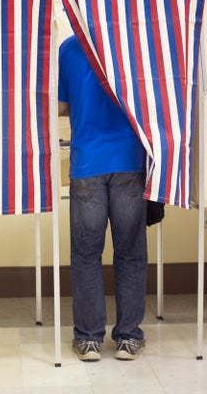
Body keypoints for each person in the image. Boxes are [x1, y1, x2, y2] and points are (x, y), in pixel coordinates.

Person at [58, 34, 148, 362]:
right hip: (130, 160)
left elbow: (61, 105)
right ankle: (128, 338)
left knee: (85, 255)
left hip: (87, 163)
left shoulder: (69, 47)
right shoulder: (135, 42)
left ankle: (89, 340)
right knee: (130, 254)